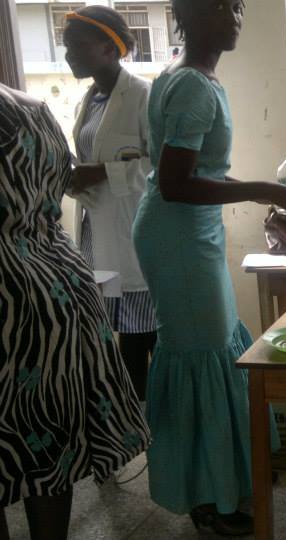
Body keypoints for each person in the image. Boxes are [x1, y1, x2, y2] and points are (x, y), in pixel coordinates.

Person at [132, 0, 286, 535]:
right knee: (200, 355)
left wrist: (260, 192)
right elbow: (175, 183)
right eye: (222, 6)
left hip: (187, 229)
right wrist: (263, 189)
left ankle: (230, 474)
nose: (235, 15)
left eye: (238, 6)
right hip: (178, 235)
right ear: (191, 13)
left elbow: (194, 173)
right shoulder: (190, 85)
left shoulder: (187, 75)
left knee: (217, 346)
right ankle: (206, 497)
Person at [0, 82, 150, 540]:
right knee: (45, 443)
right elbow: (63, 180)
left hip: (9, 292)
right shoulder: (33, 107)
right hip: (57, 285)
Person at [63, 5, 156, 404]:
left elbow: (161, 166)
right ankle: (130, 433)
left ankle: (151, 435)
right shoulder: (90, 100)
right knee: (114, 330)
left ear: (109, 47)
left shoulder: (142, 96)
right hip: (95, 235)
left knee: (140, 334)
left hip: (133, 237)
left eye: (76, 46)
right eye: (65, 47)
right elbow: (88, 159)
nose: (69, 55)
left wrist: (104, 173)